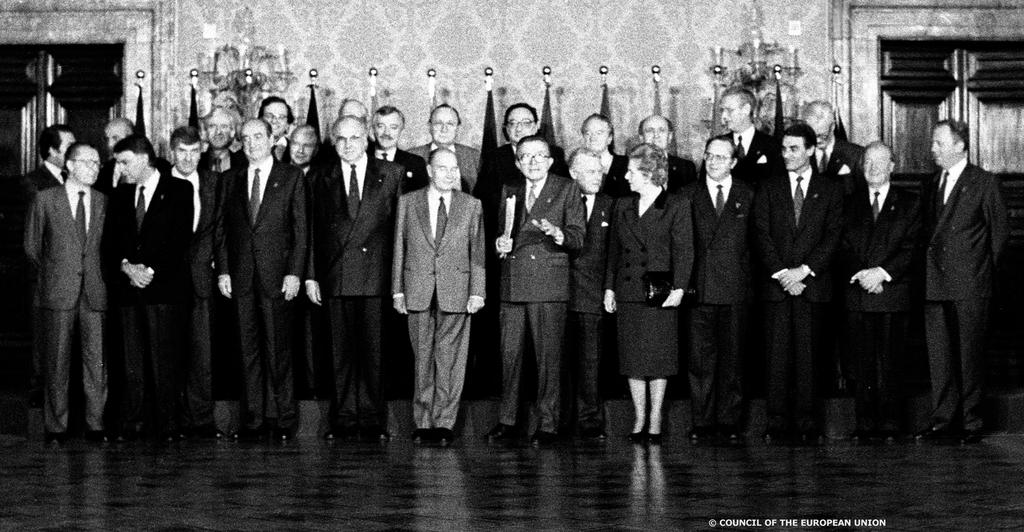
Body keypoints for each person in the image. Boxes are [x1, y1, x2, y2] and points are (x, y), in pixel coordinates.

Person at [306, 116, 404, 441]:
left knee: (375, 353)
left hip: (376, 277)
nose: (348, 145)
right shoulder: (320, 177)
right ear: (333, 143)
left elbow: (400, 234)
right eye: (341, 139)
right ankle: (343, 419)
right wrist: (310, 277)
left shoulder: (391, 174)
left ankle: (374, 420)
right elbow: (309, 232)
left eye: (355, 137)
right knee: (339, 353)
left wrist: (398, 282)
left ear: (368, 139)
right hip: (334, 277)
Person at [486, 135, 585, 445]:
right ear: (517, 162)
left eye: (539, 156)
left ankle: (548, 424)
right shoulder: (510, 190)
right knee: (509, 357)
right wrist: (500, 245)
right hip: (513, 283)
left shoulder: (566, 188)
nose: (532, 162)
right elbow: (506, 234)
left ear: (551, 161)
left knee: (548, 358)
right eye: (525, 156)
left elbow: (578, 237)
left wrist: (558, 234)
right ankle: (508, 421)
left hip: (547, 283)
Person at [215, 119, 307, 441]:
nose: (252, 143)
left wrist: (295, 272)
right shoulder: (230, 179)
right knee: (247, 351)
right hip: (240, 277)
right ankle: (253, 420)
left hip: (277, 277)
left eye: (258, 136)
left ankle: (284, 419)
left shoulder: (291, 177)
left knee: (278, 351)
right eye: (246, 138)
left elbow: (301, 229)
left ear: (272, 139)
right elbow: (222, 230)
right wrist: (224, 270)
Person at [917, 120, 1008, 444]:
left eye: (939, 143)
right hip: (934, 283)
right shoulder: (931, 184)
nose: (932, 150)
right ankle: (943, 422)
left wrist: (978, 272)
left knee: (969, 357)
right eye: (933, 143)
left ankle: (971, 423)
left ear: (960, 146)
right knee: (939, 357)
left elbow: (999, 235)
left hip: (970, 284)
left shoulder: (984, 182)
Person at [753, 123, 843, 444]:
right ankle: (775, 423)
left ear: (810, 150)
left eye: (794, 149)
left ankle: (807, 424)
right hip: (777, 287)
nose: (787, 154)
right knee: (775, 359)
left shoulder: (830, 189)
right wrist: (783, 274)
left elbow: (832, 238)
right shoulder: (768, 188)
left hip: (812, 287)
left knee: (809, 359)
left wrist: (804, 271)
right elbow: (761, 236)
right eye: (784, 149)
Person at [392, 148, 485, 445]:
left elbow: (478, 253)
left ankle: (444, 422)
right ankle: (423, 422)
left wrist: (477, 291)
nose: (449, 174)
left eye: (454, 168)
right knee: (422, 358)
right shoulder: (408, 202)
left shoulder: (471, 205)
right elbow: (399, 247)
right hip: (417, 289)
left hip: (456, 291)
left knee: (450, 360)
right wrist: (397, 290)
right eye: (442, 168)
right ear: (430, 171)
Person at [604, 143, 693, 445]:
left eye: (631, 171)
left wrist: (680, 288)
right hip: (628, 291)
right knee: (632, 359)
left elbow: (685, 250)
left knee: (658, 358)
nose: (626, 177)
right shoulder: (622, 205)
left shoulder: (676, 204)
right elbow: (613, 251)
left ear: (647, 173)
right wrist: (609, 287)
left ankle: (655, 418)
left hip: (659, 293)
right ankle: (639, 416)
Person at [106, 135, 194, 441]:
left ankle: (167, 425)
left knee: (164, 361)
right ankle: (134, 423)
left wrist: (150, 271)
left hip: (165, 291)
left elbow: (180, 240)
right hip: (129, 292)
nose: (119, 167)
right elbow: (110, 243)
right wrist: (127, 268)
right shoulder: (119, 196)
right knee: (132, 362)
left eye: (124, 161)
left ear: (144, 158)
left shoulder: (180, 189)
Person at [24, 142, 107, 444]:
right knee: (57, 363)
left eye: (98, 163)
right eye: (88, 163)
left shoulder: (102, 201)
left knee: (96, 363)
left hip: (94, 292)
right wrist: (56, 273)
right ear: (70, 165)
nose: (95, 168)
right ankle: (56, 427)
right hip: (58, 292)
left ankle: (96, 425)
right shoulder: (45, 200)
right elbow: (32, 248)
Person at [840, 141, 921, 442]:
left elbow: (912, 246)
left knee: (891, 363)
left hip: (892, 292)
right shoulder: (849, 201)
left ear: (892, 166)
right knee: (861, 364)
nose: (873, 168)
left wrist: (882, 273)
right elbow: (842, 244)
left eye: (879, 162)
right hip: (859, 291)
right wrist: (863, 274)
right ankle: (864, 424)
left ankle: (890, 424)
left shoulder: (910, 202)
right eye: (867, 163)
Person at [680, 136, 754, 444]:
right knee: (700, 362)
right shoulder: (687, 194)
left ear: (734, 162)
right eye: (709, 155)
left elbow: (756, 244)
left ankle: (729, 421)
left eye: (721, 157)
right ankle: (702, 421)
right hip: (700, 290)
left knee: (733, 360)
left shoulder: (748, 194)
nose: (713, 162)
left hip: (737, 289)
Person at [169, 126, 223, 439]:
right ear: (171, 152)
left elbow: (222, 228)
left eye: (193, 151)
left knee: (202, 354)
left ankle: (200, 421)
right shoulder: (159, 183)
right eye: (182, 151)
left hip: (203, 278)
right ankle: (171, 420)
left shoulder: (214, 183)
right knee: (169, 352)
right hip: (167, 281)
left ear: (201, 152)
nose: (188, 158)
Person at [22, 124, 75, 408]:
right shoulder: (34, 183)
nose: (74, 152)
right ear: (53, 151)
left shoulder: (74, 179)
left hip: (69, 276)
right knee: (43, 338)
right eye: (68, 147)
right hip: (44, 277)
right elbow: (33, 239)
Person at [566, 148, 613, 440]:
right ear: (573, 174)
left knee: (590, 360)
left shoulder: (611, 204)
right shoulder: (559, 199)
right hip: (559, 293)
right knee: (556, 360)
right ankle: (557, 419)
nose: (598, 177)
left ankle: (589, 419)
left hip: (593, 294)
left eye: (600, 171)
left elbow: (615, 253)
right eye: (591, 171)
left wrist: (609, 287)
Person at [409, 104, 481, 193]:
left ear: (458, 128)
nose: (444, 129)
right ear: (429, 127)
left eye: (450, 124)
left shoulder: (474, 157)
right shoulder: (411, 156)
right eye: (438, 123)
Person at [802, 100, 864, 196]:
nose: (817, 141)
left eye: (823, 136)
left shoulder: (856, 154)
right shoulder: (802, 154)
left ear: (833, 127)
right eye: (813, 136)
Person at [719, 86, 779, 184]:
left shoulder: (772, 145)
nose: (724, 116)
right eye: (722, 110)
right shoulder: (717, 145)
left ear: (746, 109)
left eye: (729, 110)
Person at [372, 105, 429, 192]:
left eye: (393, 127)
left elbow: (420, 201)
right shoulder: (362, 159)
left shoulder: (415, 164)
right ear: (373, 129)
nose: (386, 133)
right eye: (381, 126)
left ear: (401, 130)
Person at [638, 114, 698, 193]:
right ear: (641, 138)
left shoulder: (686, 168)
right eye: (650, 131)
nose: (656, 135)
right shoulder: (629, 168)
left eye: (661, 130)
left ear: (669, 136)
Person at [579, 114, 629, 197]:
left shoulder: (627, 165)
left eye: (599, 133)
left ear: (610, 138)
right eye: (588, 133)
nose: (593, 138)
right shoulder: (577, 166)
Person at [199, 107, 247, 173]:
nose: (218, 132)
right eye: (212, 126)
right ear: (205, 132)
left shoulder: (245, 163)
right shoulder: (196, 163)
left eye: (224, 126)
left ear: (232, 131)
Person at [95, 118, 130, 194]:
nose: (110, 144)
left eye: (115, 138)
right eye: (107, 139)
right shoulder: (104, 170)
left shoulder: (142, 166)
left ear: (130, 138)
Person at [259, 96, 295, 163]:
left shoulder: (297, 152)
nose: (274, 121)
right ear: (260, 121)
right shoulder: (247, 151)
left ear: (287, 124)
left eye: (281, 117)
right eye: (269, 116)